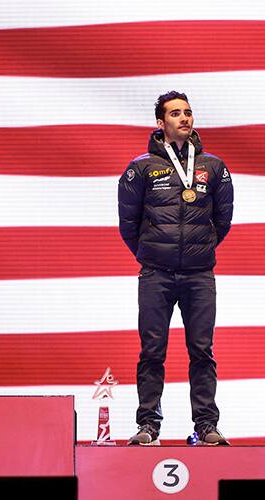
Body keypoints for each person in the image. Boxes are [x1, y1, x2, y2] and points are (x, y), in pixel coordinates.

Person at [118, 91, 234, 445]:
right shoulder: (141, 168)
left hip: (199, 275)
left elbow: (223, 219)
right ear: (160, 123)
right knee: (152, 352)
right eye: (175, 113)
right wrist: (152, 253)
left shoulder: (213, 167)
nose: (184, 118)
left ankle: (206, 425)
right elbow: (128, 223)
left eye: (188, 112)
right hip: (156, 275)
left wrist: (200, 250)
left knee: (203, 350)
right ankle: (148, 426)